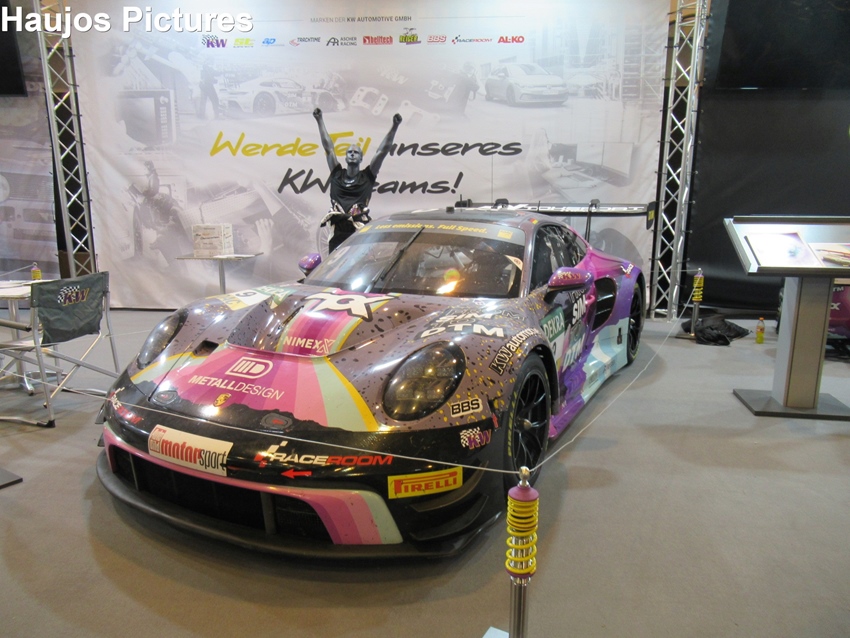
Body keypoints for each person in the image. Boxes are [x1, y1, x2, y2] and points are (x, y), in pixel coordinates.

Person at [313, 108, 402, 252]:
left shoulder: (367, 177)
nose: (352, 154)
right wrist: (319, 120)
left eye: (356, 152)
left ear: (361, 158)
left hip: (359, 233)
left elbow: (382, 152)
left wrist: (395, 126)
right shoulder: (337, 174)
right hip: (337, 233)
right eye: (350, 152)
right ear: (345, 157)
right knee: (335, 265)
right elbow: (328, 148)